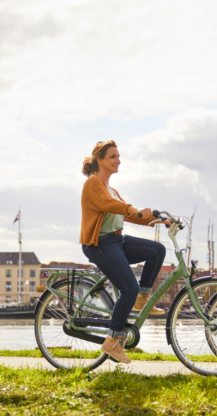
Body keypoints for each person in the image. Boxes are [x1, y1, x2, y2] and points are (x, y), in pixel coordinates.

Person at [79, 140, 168, 364]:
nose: (118, 160)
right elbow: (111, 205)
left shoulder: (112, 189)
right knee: (128, 287)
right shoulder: (93, 184)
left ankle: (142, 298)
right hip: (99, 243)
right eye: (113, 156)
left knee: (156, 250)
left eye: (118, 156)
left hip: (117, 240)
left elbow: (126, 214)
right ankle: (112, 340)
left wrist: (158, 220)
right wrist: (133, 209)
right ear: (99, 160)